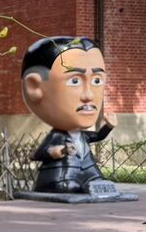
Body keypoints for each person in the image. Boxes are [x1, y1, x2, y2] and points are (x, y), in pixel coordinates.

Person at [20, 36, 117, 194]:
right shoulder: (57, 137)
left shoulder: (82, 136)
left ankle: (92, 181)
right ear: (34, 87)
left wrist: (109, 126)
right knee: (68, 187)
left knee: (100, 183)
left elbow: (98, 136)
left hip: (89, 171)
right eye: (75, 81)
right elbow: (38, 154)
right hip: (61, 175)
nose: (88, 95)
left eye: (97, 81)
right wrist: (59, 151)